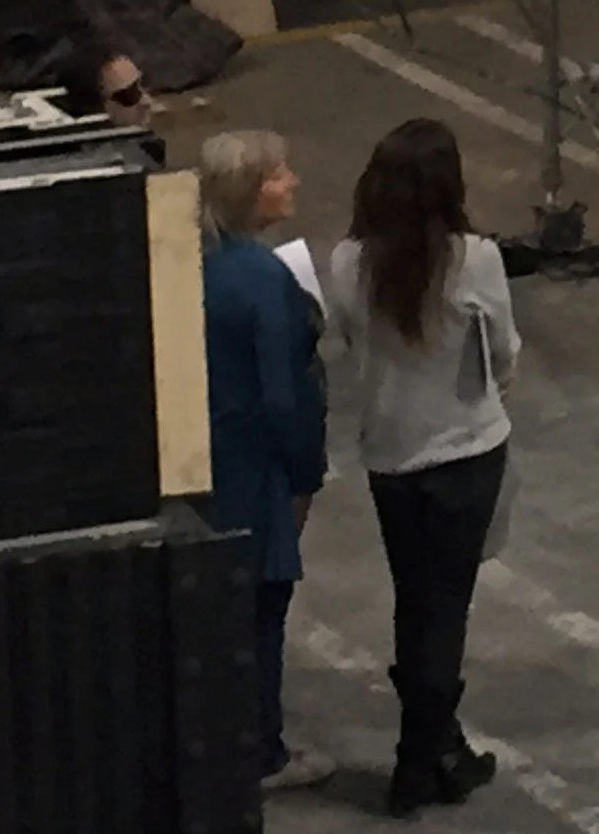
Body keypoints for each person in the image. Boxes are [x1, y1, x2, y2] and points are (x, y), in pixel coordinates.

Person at [327, 119, 518, 818]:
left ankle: (443, 746)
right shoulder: (475, 260)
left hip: (391, 457)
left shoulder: (348, 262)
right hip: (466, 452)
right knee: (445, 610)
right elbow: (505, 349)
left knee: (416, 602)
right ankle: (417, 760)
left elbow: (347, 345)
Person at [198, 130, 331, 795]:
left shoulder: (195, 262)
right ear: (251, 190)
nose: (292, 182)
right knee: (262, 614)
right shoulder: (262, 280)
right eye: (279, 174)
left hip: (205, 464)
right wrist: (306, 472)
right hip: (253, 472)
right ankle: (262, 751)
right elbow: (285, 396)